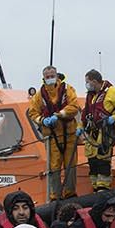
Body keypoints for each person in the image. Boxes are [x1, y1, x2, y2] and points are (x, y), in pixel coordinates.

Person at [27, 65, 81, 200]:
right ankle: (55, 196)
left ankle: (70, 193)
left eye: (52, 76)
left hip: (69, 133)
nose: (50, 78)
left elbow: (74, 106)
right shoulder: (39, 95)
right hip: (51, 136)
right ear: (43, 78)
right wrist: (42, 120)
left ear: (57, 76)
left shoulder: (68, 89)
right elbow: (33, 112)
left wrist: (59, 114)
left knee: (71, 165)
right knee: (53, 167)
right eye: (47, 77)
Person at [79, 69, 115, 191]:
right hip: (92, 134)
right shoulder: (91, 96)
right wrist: (80, 128)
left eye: (87, 82)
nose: (86, 84)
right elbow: (84, 115)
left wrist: (114, 118)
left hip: (105, 132)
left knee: (103, 162)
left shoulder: (112, 92)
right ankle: (95, 188)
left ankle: (103, 188)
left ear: (95, 81)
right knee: (93, 163)